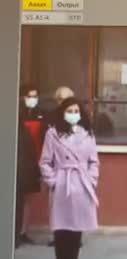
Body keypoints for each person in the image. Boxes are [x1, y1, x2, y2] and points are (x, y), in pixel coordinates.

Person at [40, 97, 99, 259]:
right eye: (69, 111)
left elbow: (94, 161)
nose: (73, 115)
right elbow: (45, 161)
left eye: (76, 111)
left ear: (80, 114)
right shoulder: (52, 134)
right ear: (62, 112)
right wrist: (53, 180)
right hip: (62, 184)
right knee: (61, 229)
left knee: (76, 229)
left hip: (81, 185)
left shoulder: (88, 134)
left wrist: (91, 179)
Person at [16, 84, 47, 247]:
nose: (32, 99)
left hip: (33, 159)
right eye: (29, 96)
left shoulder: (42, 114)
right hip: (18, 158)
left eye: (35, 96)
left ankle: (23, 232)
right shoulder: (17, 113)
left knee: (27, 197)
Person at [46, 86, 75, 247]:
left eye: (66, 98)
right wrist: (50, 177)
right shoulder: (51, 118)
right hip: (56, 170)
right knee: (55, 207)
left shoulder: (78, 117)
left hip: (76, 173)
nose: (63, 102)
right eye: (60, 99)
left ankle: (74, 237)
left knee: (74, 205)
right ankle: (57, 236)